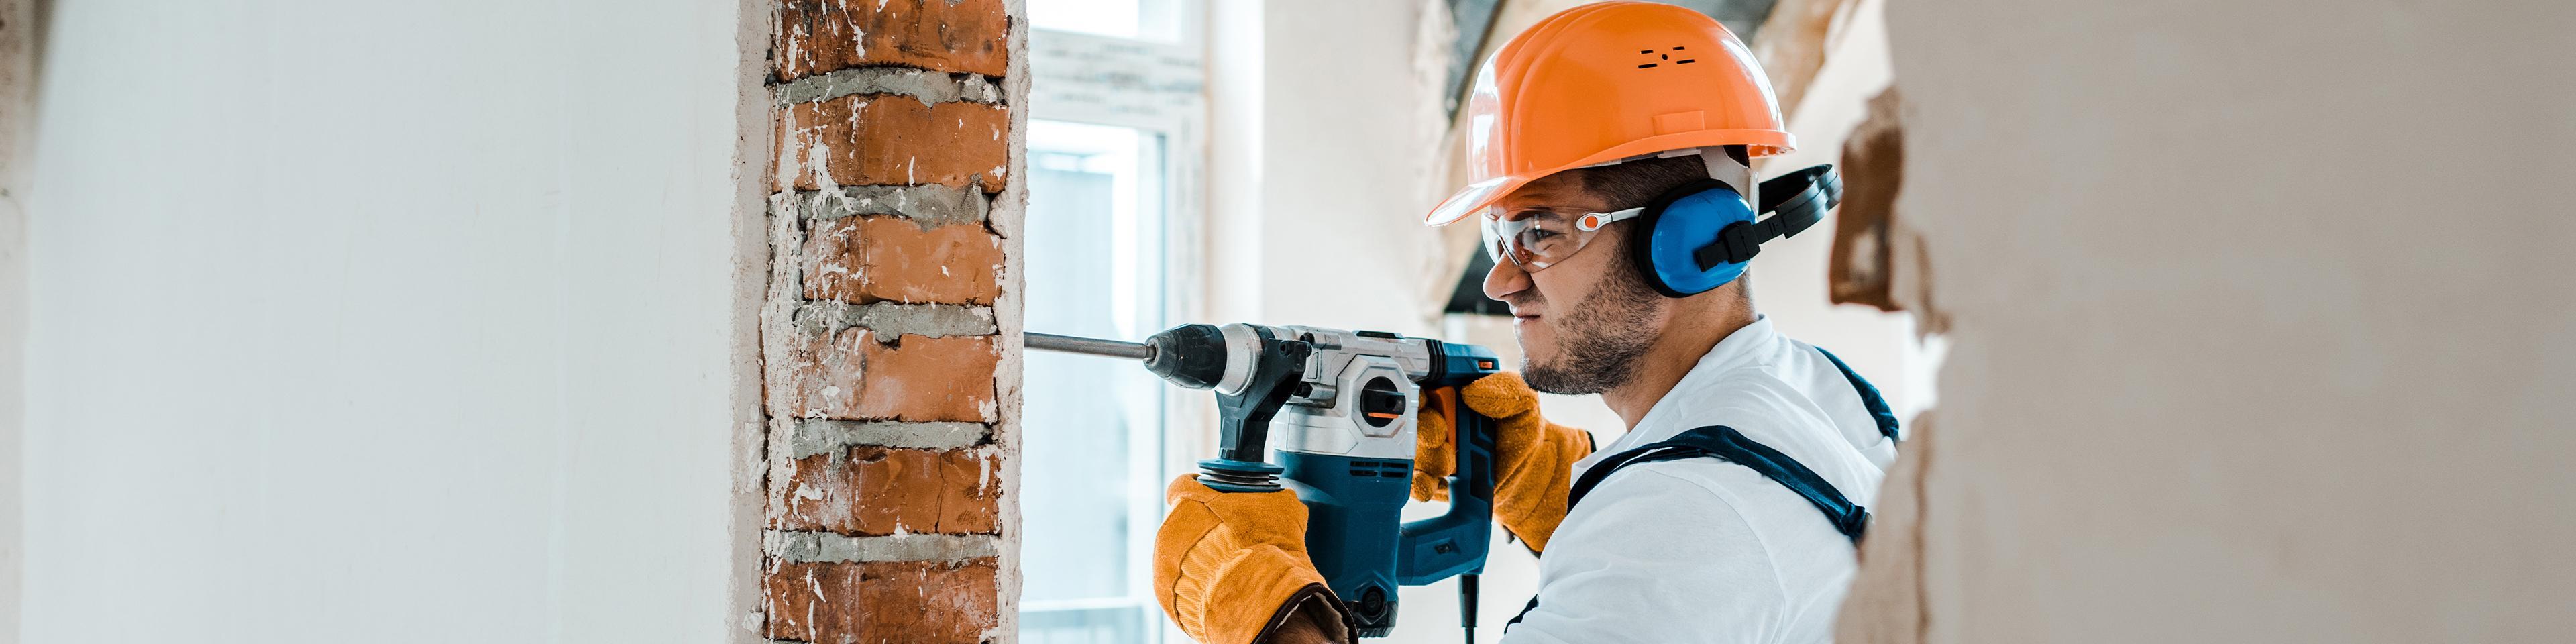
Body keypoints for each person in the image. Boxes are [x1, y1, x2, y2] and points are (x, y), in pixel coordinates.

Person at [1148, 3, 1900, 643]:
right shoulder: (1826, 390)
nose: (1501, 281)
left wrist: (1276, 623)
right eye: (1497, 237)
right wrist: (1551, 486)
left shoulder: (1678, 518)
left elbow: (1690, 545)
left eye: (1539, 234)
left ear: (1693, 241)